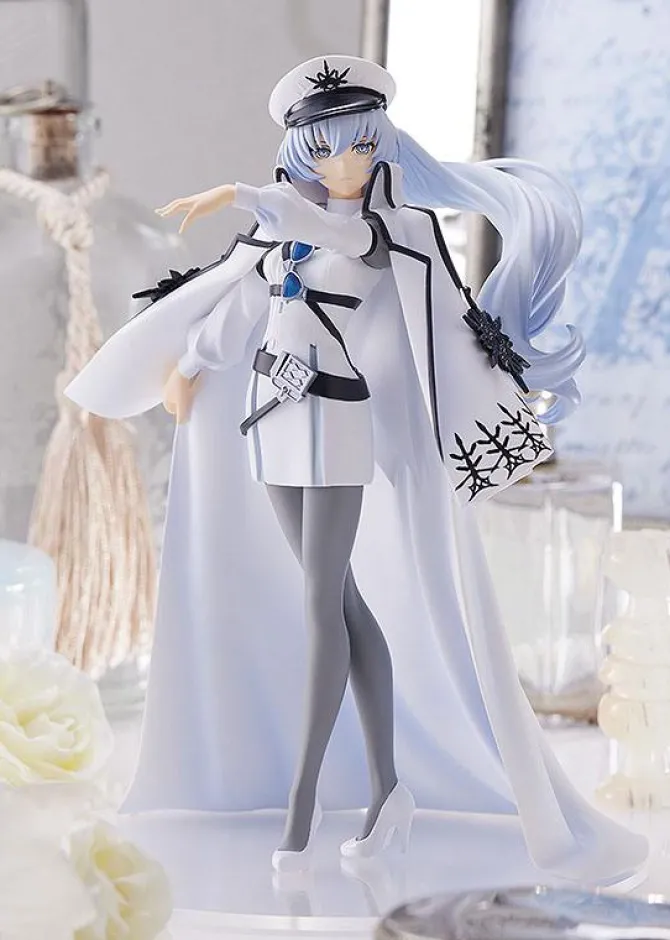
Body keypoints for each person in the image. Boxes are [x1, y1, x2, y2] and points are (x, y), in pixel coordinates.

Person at [66, 55, 648, 881]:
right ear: (300, 152)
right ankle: (386, 791)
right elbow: (244, 300)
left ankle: (302, 803)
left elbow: (344, 241)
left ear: (382, 146)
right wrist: (187, 365)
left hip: (337, 425)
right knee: (340, 603)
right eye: (326, 150)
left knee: (318, 606)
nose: (346, 164)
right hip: (269, 423)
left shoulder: (394, 232)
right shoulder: (275, 234)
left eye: (362, 146)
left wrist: (244, 195)